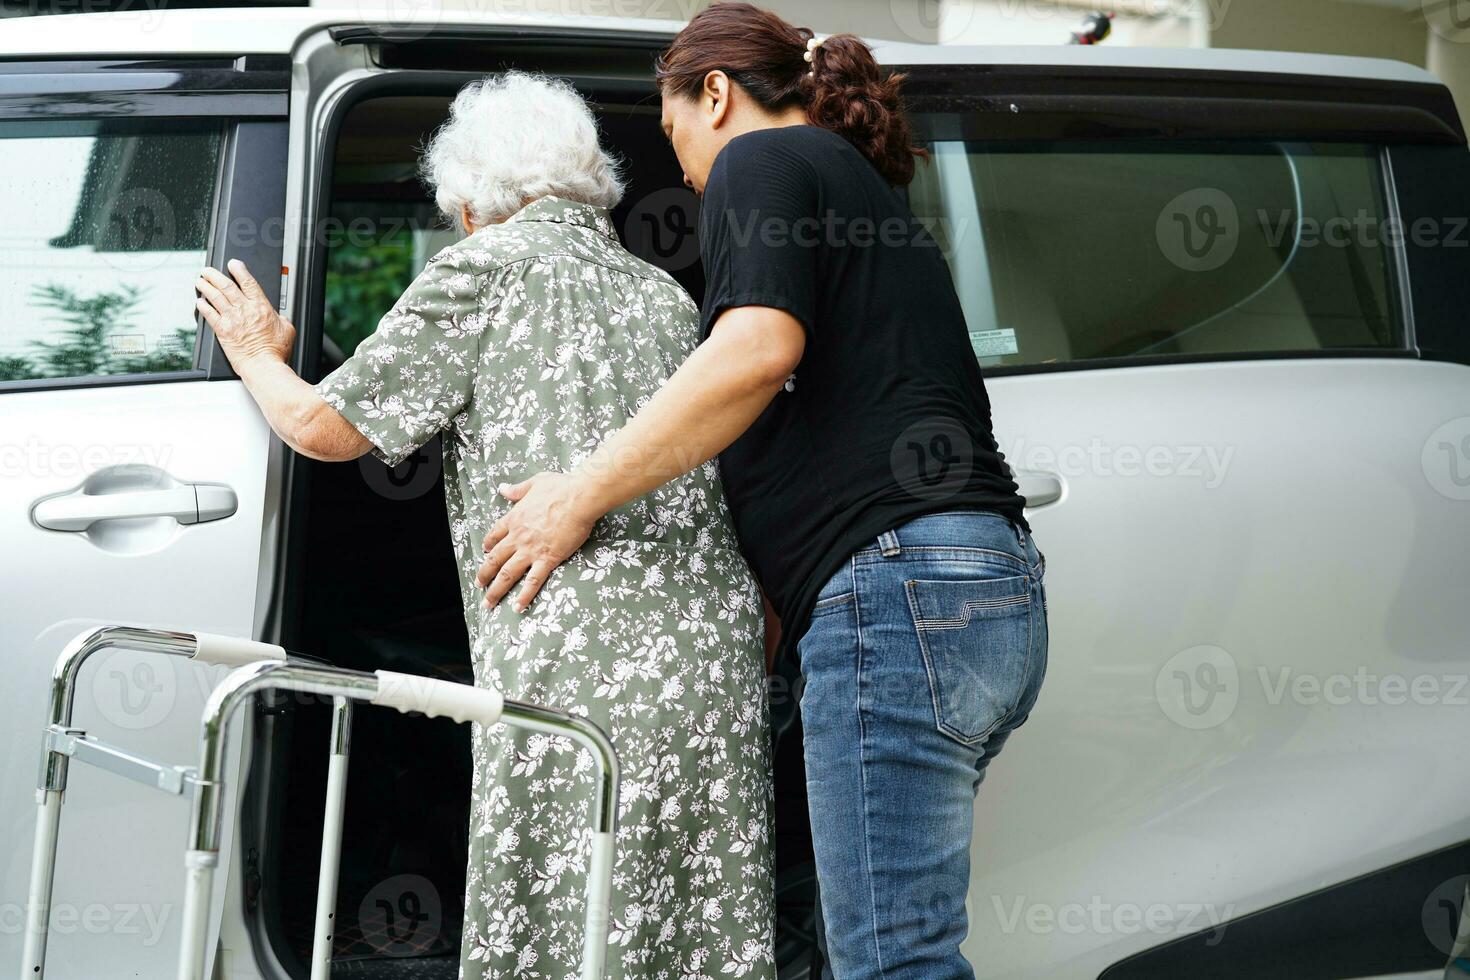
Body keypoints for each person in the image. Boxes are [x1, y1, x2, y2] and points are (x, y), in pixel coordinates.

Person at [474, 6, 1049, 978]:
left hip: (900, 596)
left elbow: (752, 352)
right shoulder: (853, 187)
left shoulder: (763, 162)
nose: (688, 173)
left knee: (892, 959)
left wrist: (578, 492)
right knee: (878, 941)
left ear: (715, 93)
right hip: (983, 596)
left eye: (676, 141)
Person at [193, 70, 774, 980]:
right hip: (712, 654)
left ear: (468, 204)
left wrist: (256, 353)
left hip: (578, 667)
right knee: (692, 920)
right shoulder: (663, 293)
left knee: (567, 911)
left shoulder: (483, 266)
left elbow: (322, 430)